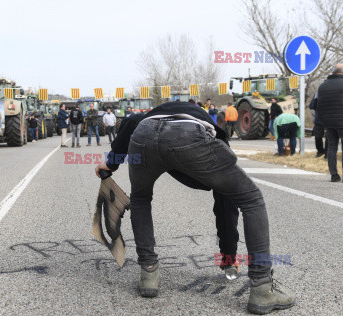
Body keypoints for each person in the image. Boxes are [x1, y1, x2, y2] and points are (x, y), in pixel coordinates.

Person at [95, 100, 295, 315]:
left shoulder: (148, 115)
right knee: (251, 199)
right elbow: (225, 198)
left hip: (143, 137)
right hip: (186, 136)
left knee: (141, 198)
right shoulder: (208, 122)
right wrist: (228, 255)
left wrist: (111, 163)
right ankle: (263, 287)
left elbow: (132, 121)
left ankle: (148, 274)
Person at [317, 64, 343, 182]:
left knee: (332, 148)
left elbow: (318, 106)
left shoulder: (322, 86)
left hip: (328, 123)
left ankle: (334, 175)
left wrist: (323, 120)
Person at [309, 93, 327, 158]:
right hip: (323, 120)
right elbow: (311, 106)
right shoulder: (318, 94)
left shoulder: (319, 93)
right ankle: (323, 152)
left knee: (322, 137)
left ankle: (323, 152)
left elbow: (311, 106)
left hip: (324, 119)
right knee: (320, 137)